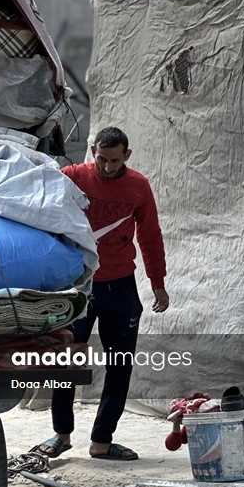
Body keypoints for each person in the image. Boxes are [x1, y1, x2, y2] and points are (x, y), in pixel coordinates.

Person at [35, 127, 169, 461]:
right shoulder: (71, 176)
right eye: (101, 159)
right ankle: (61, 435)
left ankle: (102, 441)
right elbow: (40, 214)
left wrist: (158, 282)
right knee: (66, 361)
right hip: (77, 285)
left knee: (120, 365)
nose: (107, 167)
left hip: (120, 285)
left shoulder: (138, 186)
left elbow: (150, 235)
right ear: (92, 150)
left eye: (114, 160)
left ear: (127, 156)